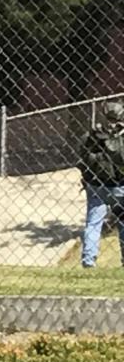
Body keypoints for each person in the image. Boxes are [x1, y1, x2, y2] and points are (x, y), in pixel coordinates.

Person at [77, 101, 124, 268]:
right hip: (118, 186)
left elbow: (82, 159)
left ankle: (88, 261)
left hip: (96, 186)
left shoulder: (90, 136)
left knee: (93, 223)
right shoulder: (120, 139)